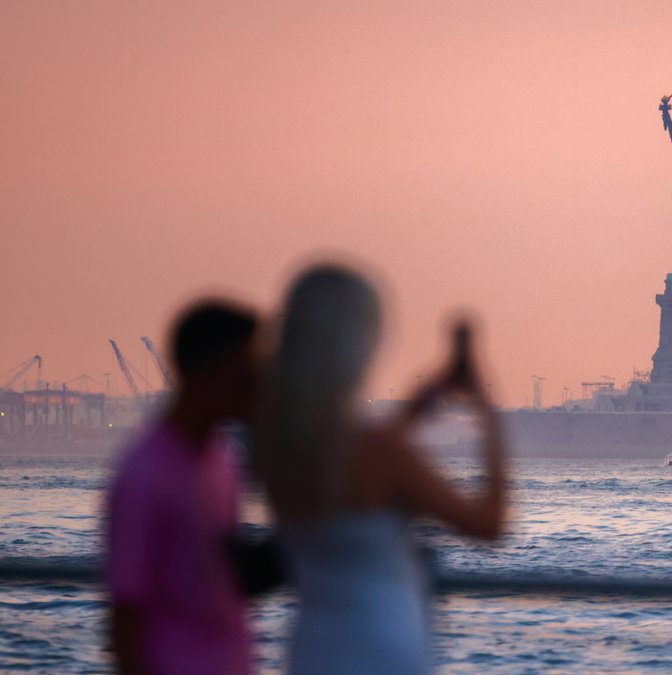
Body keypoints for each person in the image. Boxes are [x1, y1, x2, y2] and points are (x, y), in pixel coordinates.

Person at [254, 264, 508, 674]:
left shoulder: (271, 443)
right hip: (380, 652)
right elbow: (490, 522)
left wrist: (411, 411)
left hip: (312, 651)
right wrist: (487, 413)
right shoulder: (381, 455)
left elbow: (344, 464)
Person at [105, 301, 261, 675]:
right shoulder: (146, 475)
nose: (257, 389)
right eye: (245, 378)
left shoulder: (221, 460)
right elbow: (126, 620)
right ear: (203, 375)